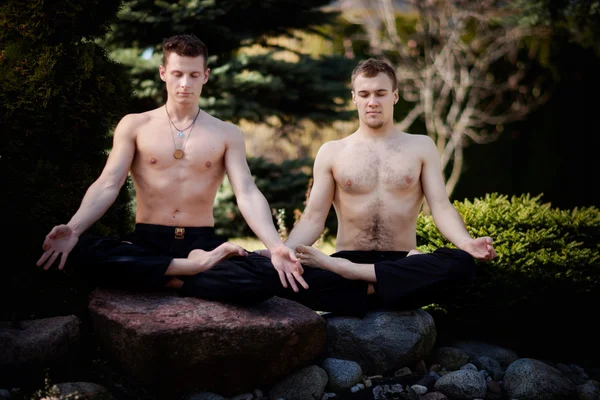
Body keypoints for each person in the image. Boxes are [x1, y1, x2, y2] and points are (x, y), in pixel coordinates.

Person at [36, 33, 312, 303]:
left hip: (202, 241)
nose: (185, 83)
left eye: (193, 75)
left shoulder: (227, 133)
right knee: (80, 250)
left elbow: (247, 193)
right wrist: (73, 229)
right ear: (163, 73)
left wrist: (275, 246)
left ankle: (166, 273)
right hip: (147, 240)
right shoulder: (135, 125)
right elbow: (108, 183)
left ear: (205, 76)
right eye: (178, 73)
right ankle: (189, 271)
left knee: (268, 276)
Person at [264, 58, 497, 312]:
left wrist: (465, 242)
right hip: (362, 262)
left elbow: (441, 207)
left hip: (400, 260)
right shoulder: (332, 151)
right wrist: (283, 252)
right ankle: (376, 285)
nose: (372, 101)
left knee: (462, 265)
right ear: (354, 98)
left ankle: (355, 282)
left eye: (380, 93)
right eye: (364, 94)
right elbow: (312, 219)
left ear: (395, 96)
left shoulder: (421, 147)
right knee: (281, 277)